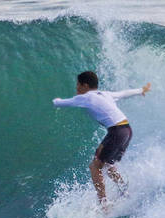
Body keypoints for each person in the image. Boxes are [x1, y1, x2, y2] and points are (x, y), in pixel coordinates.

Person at [53, 71, 151, 207]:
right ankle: (125, 191)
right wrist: (141, 90)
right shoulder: (105, 94)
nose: (76, 88)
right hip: (127, 130)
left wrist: (53, 101)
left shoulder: (85, 97)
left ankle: (103, 204)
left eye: (78, 85)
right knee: (107, 165)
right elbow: (123, 94)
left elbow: (61, 103)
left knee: (95, 166)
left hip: (116, 132)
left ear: (85, 85)